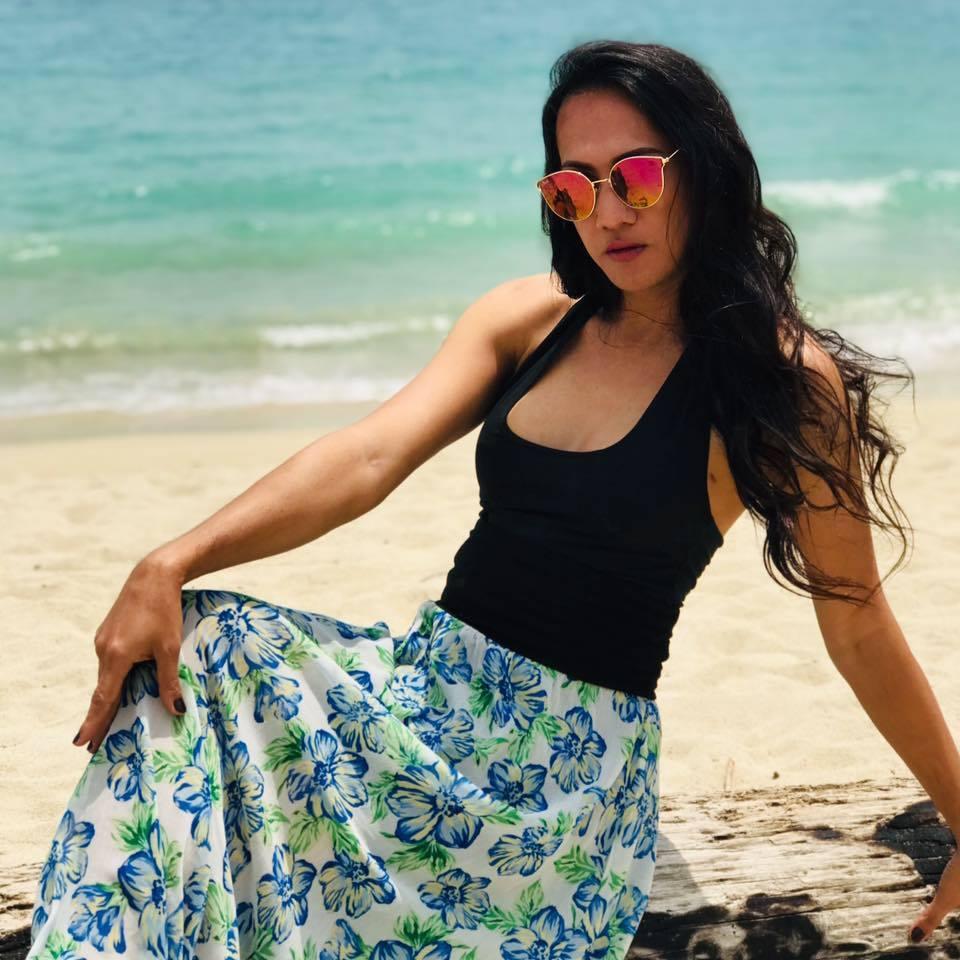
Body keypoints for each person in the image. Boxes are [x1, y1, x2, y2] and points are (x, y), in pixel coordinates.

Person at [26, 39, 960, 960]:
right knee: (194, 639)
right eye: (575, 188)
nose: (607, 213)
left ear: (704, 168)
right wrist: (171, 559)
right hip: (421, 701)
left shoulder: (777, 380)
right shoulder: (531, 320)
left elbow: (858, 624)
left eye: (636, 176)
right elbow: (368, 456)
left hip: (561, 785)